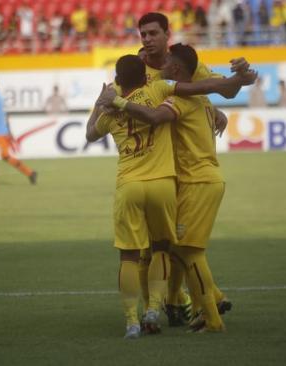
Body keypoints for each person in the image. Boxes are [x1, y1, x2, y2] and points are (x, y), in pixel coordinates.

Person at [87, 53, 254, 338]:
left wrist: (102, 102)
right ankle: (158, 306)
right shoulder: (160, 90)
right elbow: (203, 89)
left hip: (132, 185)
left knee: (132, 256)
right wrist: (239, 81)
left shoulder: (111, 113)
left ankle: (133, 321)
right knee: (164, 249)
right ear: (145, 77)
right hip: (164, 184)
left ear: (118, 81)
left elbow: (90, 134)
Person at [131, 12, 249, 326]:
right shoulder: (137, 69)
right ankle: (183, 302)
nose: (147, 40)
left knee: (177, 246)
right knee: (159, 248)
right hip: (154, 171)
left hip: (188, 175)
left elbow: (219, 89)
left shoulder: (184, 69)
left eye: (153, 33)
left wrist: (231, 88)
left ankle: (181, 304)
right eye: (143, 34)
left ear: (167, 35)